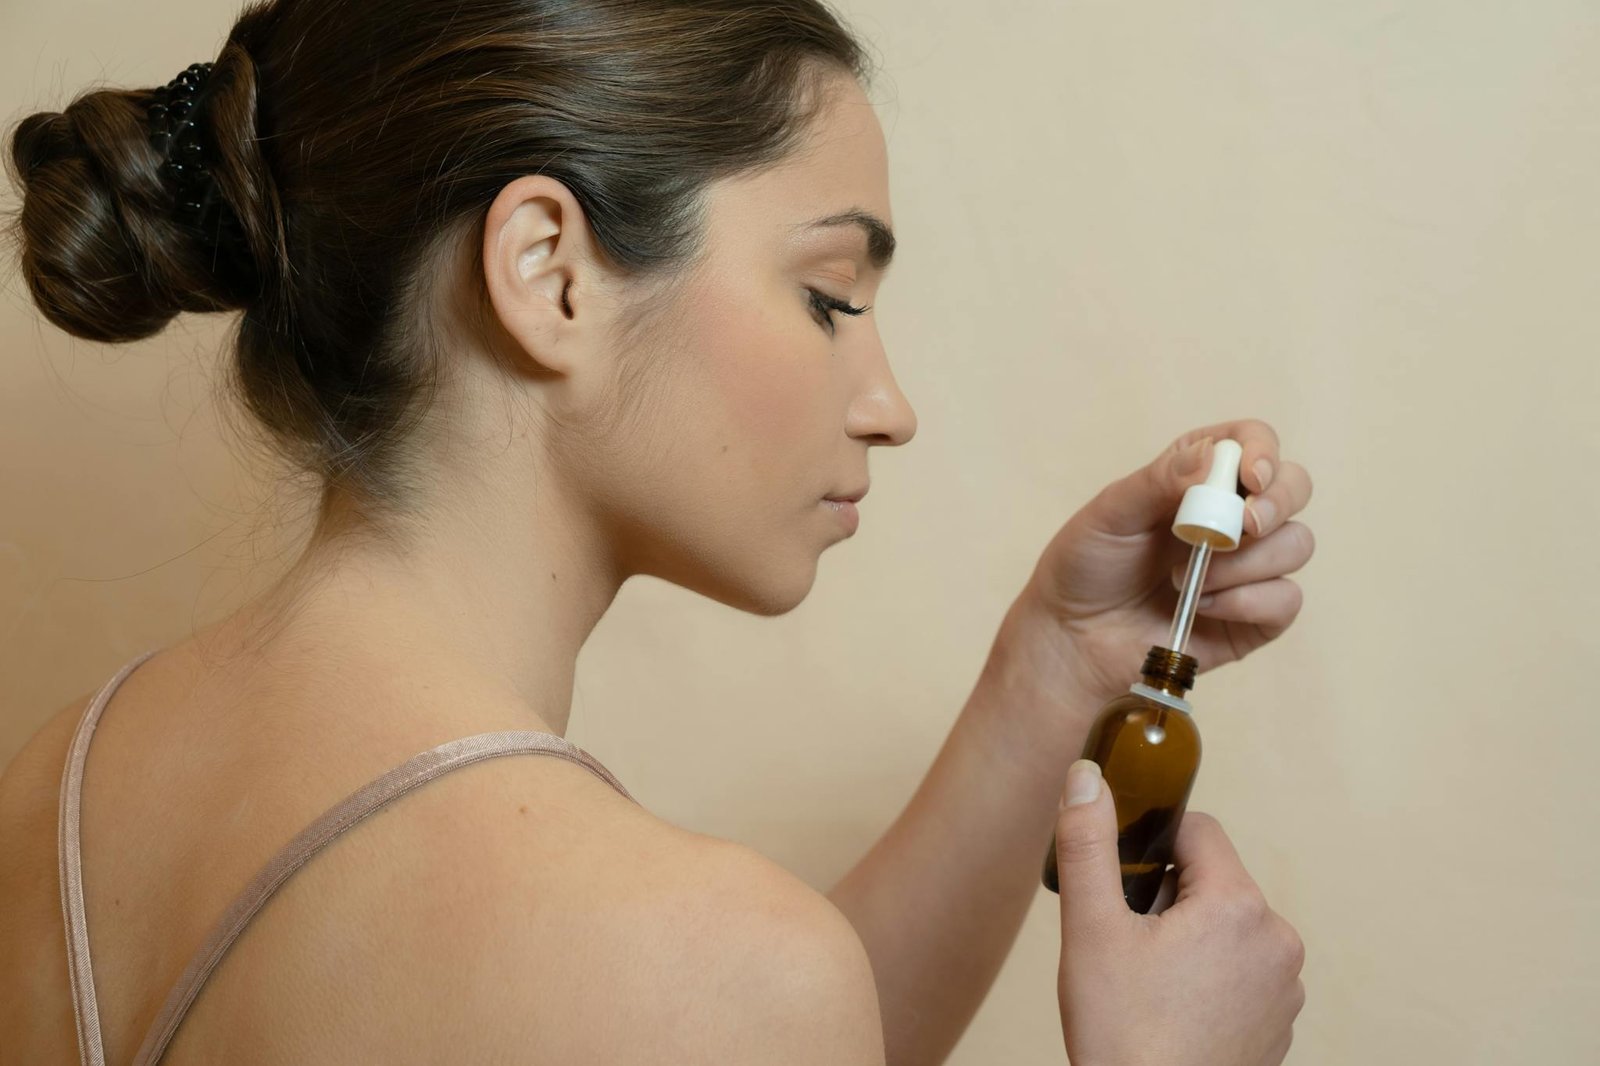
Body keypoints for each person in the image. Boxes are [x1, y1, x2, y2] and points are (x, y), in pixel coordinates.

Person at [0, 0, 1313, 1062]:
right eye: (829, 295)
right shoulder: (691, 965)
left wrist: (1058, 660)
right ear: (549, 274)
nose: (890, 404)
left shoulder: (57, 782)